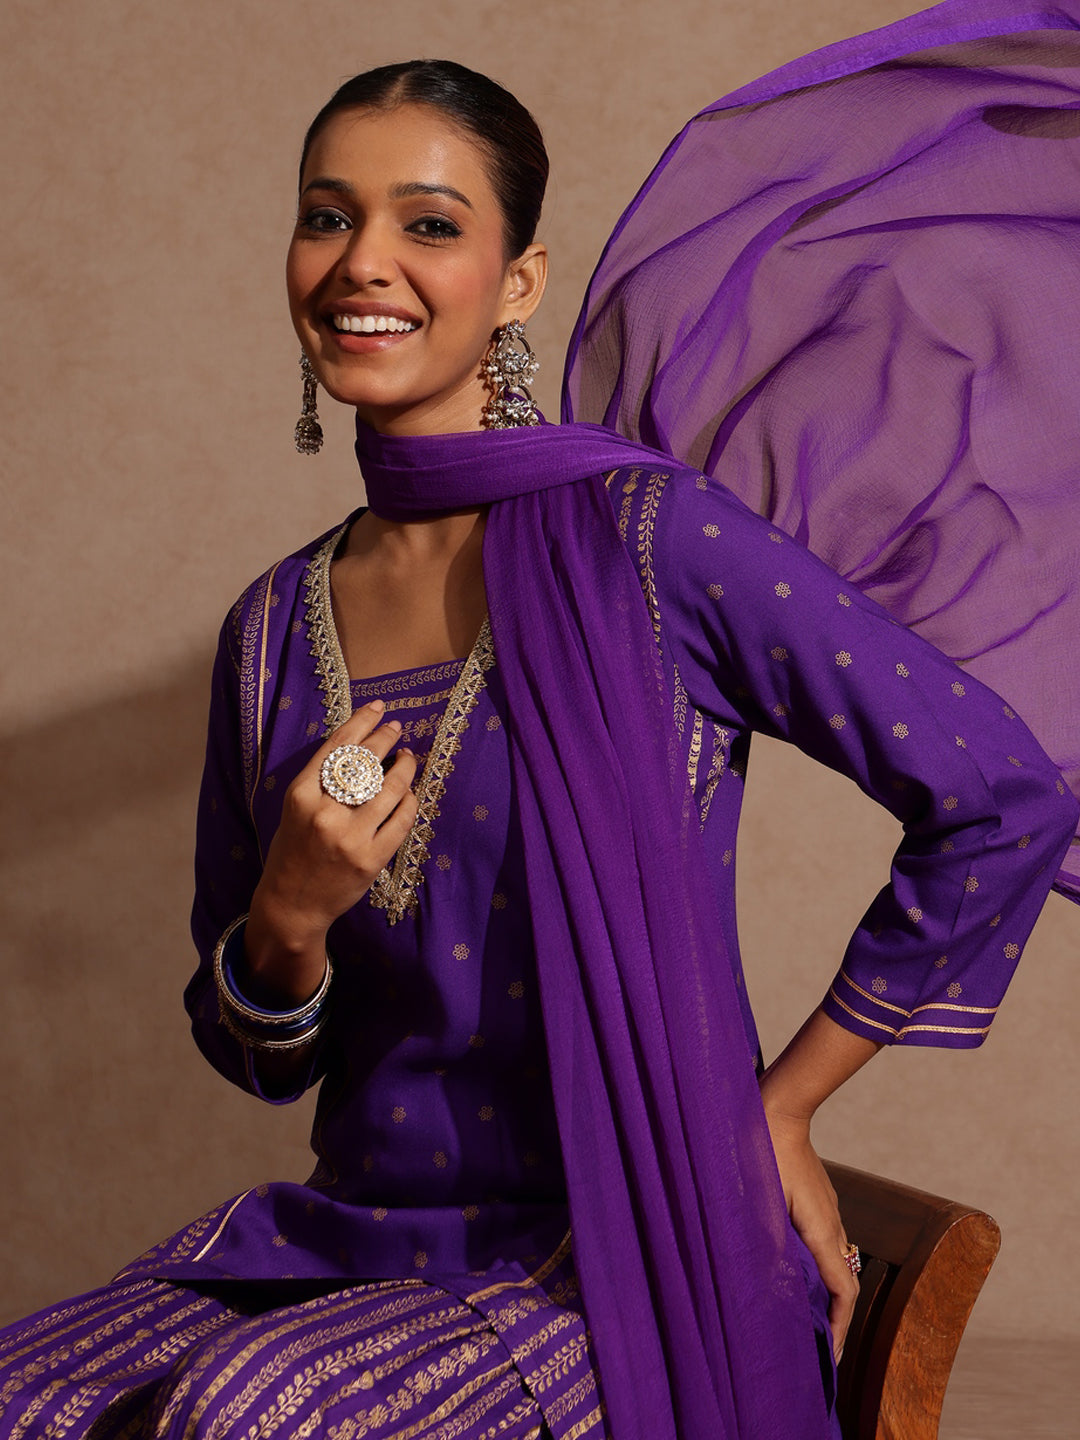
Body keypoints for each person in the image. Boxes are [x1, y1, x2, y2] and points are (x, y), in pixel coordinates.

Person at [2, 5, 1078, 1439]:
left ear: (519, 283)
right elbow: (257, 1056)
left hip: (628, 1254)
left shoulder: (647, 539)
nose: (362, 260)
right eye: (327, 216)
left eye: (427, 224)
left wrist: (779, 1109)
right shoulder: (269, 630)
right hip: (349, 1240)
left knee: (249, 1413)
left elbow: (1002, 791)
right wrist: (291, 912)